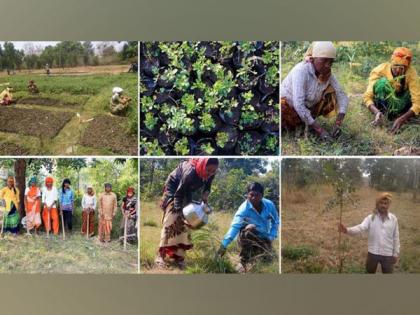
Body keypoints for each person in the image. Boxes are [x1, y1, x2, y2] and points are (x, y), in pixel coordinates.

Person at [155, 158, 219, 270]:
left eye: (213, 171)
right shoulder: (190, 172)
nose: (210, 173)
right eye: (208, 170)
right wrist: (181, 214)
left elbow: (207, 186)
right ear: (203, 166)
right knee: (171, 219)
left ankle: (179, 257)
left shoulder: (211, 173)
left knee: (186, 225)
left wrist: (205, 196)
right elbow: (179, 195)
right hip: (174, 188)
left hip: (188, 190)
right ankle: (160, 255)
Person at [281, 41, 349, 140]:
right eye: (324, 61)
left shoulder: (327, 74)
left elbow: (341, 95)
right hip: (289, 107)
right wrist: (320, 130)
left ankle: (306, 121)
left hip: (306, 108)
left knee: (332, 93)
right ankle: (298, 123)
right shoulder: (301, 71)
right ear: (313, 59)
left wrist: (338, 123)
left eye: (331, 62)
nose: (327, 65)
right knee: (282, 116)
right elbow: (298, 104)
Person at [218, 182, 279, 273]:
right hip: (247, 237)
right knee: (250, 228)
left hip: (264, 238)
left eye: (257, 195)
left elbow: (276, 222)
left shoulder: (269, 205)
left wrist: (271, 236)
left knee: (268, 260)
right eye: (251, 195)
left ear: (262, 196)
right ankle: (243, 262)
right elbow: (235, 226)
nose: (254, 198)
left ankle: (259, 251)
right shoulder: (243, 209)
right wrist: (224, 245)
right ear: (247, 195)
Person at [338, 193, 400, 274]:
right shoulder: (371, 218)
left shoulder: (393, 219)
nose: (383, 206)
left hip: (388, 254)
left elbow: (396, 237)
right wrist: (347, 230)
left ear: (389, 205)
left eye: (386, 203)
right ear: (377, 204)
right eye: (381, 203)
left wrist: (395, 253)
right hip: (373, 253)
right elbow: (361, 228)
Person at [363, 47, 420, 133]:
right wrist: (376, 112)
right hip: (383, 102)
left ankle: (400, 114)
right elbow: (367, 96)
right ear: (391, 63)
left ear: (407, 67)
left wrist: (402, 119)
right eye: (395, 66)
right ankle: (384, 113)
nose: (398, 71)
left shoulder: (411, 74)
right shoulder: (380, 70)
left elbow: (417, 102)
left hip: (402, 103)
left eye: (402, 68)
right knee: (382, 84)